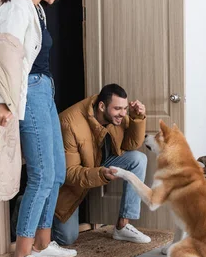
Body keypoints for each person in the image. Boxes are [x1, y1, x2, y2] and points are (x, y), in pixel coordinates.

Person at [0, 0, 77, 257]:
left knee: (56, 172)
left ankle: (42, 243)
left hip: (44, 90)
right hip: (29, 89)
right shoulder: (16, 7)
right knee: (41, 175)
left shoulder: (37, 9)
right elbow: (6, 54)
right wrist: (4, 102)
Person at [52, 84, 150, 245]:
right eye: (118, 109)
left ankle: (122, 226)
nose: (122, 113)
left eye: (125, 109)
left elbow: (130, 145)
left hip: (99, 162)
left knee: (138, 159)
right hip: (69, 183)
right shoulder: (69, 123)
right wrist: (100, 174)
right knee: (66, 238)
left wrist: (136, 118)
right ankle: (28, 206)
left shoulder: (117, 115)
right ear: (102, 106)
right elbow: (68, 173)